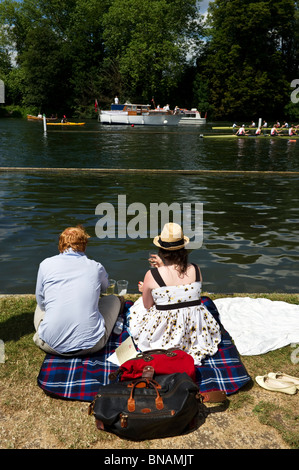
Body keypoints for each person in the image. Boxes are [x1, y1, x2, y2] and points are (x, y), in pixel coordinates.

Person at [128, 223, 221, 366]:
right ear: (183, 249)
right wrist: (163, 268)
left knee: (139, 306)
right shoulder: (195, 269)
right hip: (193, 329)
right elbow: (178, 289)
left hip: (166, 330)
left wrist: (144, 290)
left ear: (161, 251)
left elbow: (148, 305)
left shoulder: (152, 275)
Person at [33, 225, 122, 356]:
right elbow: (105, 288)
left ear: (61, 244)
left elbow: (41, 302)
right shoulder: (96, 267)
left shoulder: (45, 264)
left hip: (49, 344)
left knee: (40, 303)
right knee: (114, 299)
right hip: (92, 344)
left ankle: (51, 327)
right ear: (84, 245)